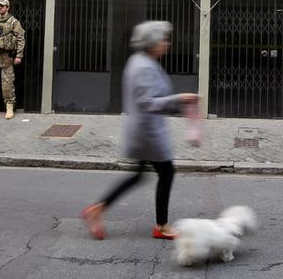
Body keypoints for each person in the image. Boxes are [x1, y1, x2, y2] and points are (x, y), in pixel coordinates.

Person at [81, 20, 199, 240]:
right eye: (163, 40)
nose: (167, 44)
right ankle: (161, 226)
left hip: (142, 129)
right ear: (152, 42)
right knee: (166, 172)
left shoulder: (140, 61)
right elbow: (148, 102)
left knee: (138, 175)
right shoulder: (144, 66)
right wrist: (180, 98)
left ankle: (97, 209)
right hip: (148, 132)